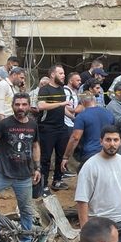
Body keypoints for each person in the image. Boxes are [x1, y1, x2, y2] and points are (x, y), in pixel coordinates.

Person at [0, 93, 41, 242]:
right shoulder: (4, 124)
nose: (21, 108)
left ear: (28, 106)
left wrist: (37, 168)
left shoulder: (33, 125)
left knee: (26, 211)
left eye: (24, 104)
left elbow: (35, 146)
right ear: (12, 106)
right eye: (17, 104)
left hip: (24, 176)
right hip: (3, 173)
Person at [38, 64, 71, 193]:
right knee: (45, 158)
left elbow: (62, 108)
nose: (63, 76)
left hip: (61, 127)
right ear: (53, 74)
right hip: (47, 127)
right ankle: (43, 185)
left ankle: (57, 180)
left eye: (63, 73)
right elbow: (41, 105)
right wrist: (61, 103)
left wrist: (73, 116)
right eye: (61, 73)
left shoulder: (62, 89)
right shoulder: (45, 89)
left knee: (61, 156)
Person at [62, 92, 115, 171]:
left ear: (82, 102)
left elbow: (75, 138)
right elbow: (115, 133)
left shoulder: (81, 116)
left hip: (90, 153)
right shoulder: (109, 114)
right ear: (95, 100)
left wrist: (66, 157)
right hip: (107, 152)